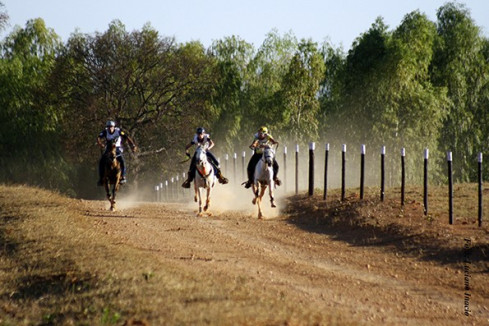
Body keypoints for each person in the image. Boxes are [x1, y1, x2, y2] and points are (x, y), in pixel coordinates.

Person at [97, 120, 138, 186]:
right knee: (101, 161)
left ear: (114, 127)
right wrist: (100, 143)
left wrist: (133, 145)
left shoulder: (118, 131)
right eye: (109, 127)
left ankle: (123, 177)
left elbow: (126, 137)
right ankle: (101, 178)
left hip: (117, 148)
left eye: (111, 127)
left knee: (122, 161)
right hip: (108, 149)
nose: (110, 128)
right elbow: (99, 137)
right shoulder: (105, 131)